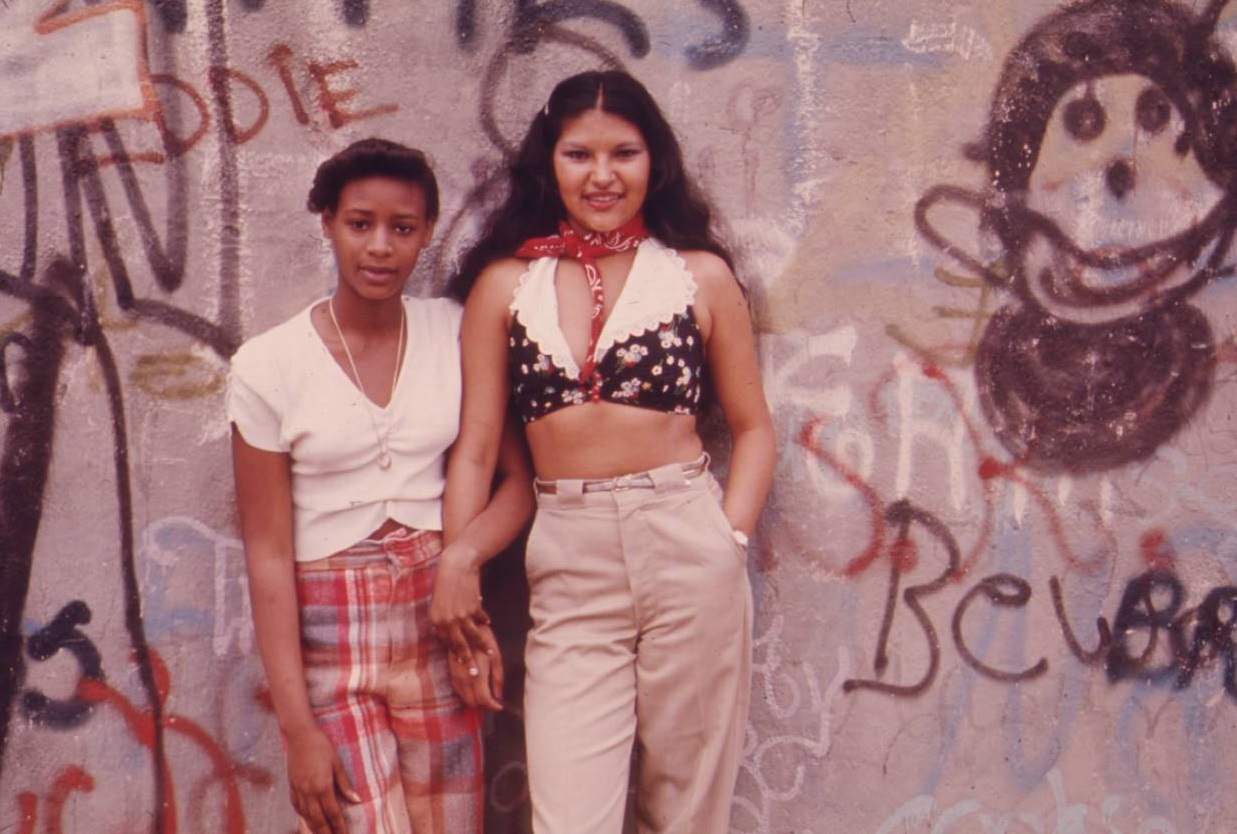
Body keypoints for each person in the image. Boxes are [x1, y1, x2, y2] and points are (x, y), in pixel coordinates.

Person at [439, 71, 775, 834]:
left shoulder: (698, 276)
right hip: (568, 557)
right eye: (578, 154)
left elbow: (753, 428)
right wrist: (458, 570)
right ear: (547, 164)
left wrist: (729, 539)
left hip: (687, 544)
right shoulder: (505, 284)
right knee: (569, 818)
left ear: (653, 160)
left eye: (623, 153)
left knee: (684, 812)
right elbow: (477, 450)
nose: (601, 175)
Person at [228, 137, 531, 834]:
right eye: (359, 224)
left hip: (440, 619)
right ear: (328, 223)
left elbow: (517, 483)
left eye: (402, 228)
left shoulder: (453, 332)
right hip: (331, 634)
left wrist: (463, 561)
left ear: (425, 232)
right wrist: (298, 728)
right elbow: (268, 552)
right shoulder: (268, 365)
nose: (380, 247)